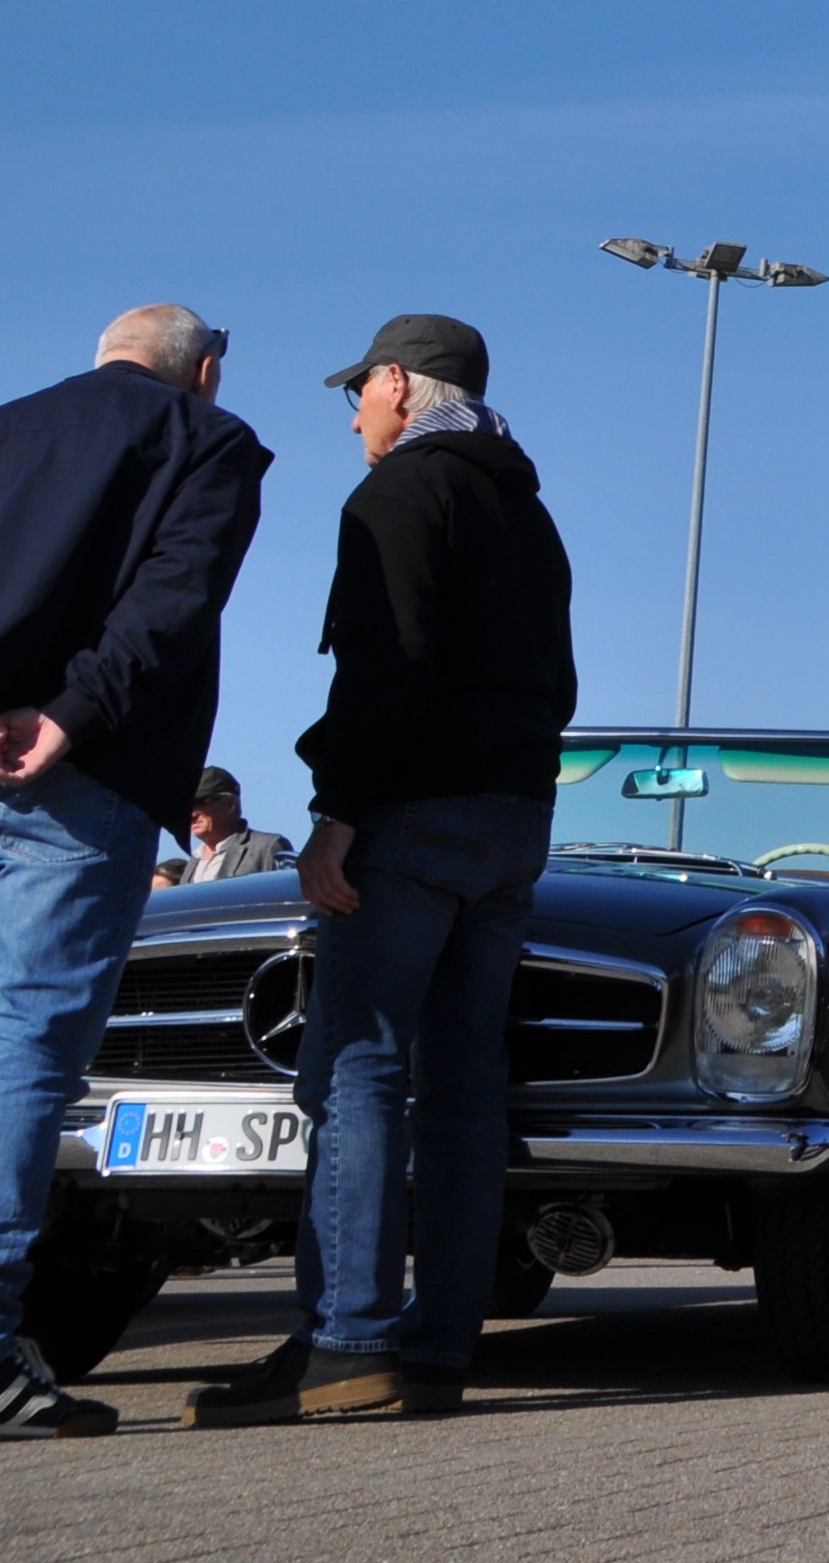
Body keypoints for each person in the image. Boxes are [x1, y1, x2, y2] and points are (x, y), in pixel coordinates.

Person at [190, 315, 572, 1427]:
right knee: (463, 1092)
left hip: (408, 816)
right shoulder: (528, 510)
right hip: (514, 822)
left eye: (357, 391)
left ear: (399, 383)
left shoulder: (399, 495)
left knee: (355, 1067)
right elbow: (559, 681)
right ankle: (440, 1345)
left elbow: (385, 664)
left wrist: (337, 816)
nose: (353, 412)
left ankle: (348, 1340)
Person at [0, 305, 271, 1443]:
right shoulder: (207, 442)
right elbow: (172, 605)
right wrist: (69, 717)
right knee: (28, 1055)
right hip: (78, 780)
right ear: (205, 369)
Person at [183, 767, 294, 883]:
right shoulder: (194, 860)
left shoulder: (266, 847)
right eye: (188, 805)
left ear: (229, 804)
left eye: (201, 803)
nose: (192, 814)